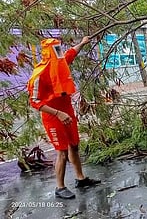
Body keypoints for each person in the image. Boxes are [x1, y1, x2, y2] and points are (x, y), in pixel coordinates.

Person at [27, 36, 101, 199]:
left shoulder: (60, 64)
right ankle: (59, 188)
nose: (60, 53)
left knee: (74, 146)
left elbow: (71, 53)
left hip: (67, 112)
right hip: (53, 117)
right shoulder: (39, 75)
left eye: (59, 49)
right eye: (56, 50)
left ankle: (80, 179)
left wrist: (82, 42)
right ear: (48, 53)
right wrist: (58, 113)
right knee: (61, 151)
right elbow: (34, 102)